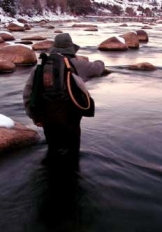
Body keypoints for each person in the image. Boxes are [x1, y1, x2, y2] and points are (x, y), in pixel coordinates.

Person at [23, 33, 105, 170]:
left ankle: (51, 178)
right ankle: (71, 180)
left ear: (54, 48)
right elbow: (98, 69)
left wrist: (34, 116)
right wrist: (100, 62)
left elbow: (27, 94)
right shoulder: (77, 64)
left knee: (53, 149)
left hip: (46, 117)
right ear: (71, 48)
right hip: (70, 118)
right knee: (72, 154)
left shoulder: (40, 67)